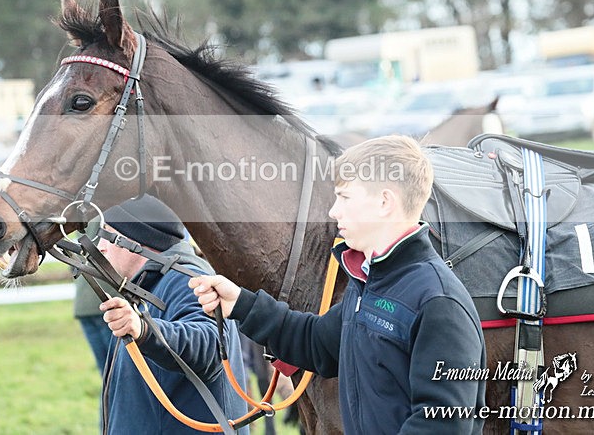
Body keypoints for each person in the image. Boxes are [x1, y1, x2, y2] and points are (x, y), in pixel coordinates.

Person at [190, 135, 486, 434]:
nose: (334, 211)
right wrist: (241, 304)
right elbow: (317, 342)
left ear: (385, 202)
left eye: (345, 197)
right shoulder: (371, 282)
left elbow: (442, 424)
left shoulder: (438, 301)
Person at [96, 195, 249, 434]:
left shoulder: (186, 280)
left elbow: (210, 346)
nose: (100, 246)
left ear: (135, 240)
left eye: (107, 233)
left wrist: (144, 331)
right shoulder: (153, 285)